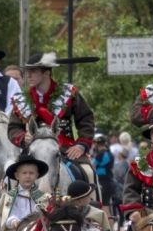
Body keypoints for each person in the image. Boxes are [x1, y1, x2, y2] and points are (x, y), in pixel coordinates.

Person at [7, 51, 97, 189]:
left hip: (66, 148)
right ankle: (8, 208)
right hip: (32, 151)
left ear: (47, 73)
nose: (28, 75)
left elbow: (86, 119)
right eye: (27, 71)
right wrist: (23, 137)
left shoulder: (68, 92)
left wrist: (81, 145)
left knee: (89, 172)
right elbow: (13, 128)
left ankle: (93, 206)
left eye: (33, 71)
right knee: (9, 178)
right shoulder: (22, 98)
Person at [0, 154, 50, 231]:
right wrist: (14, 221)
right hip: (15, 230)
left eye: (31, 173)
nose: (28, 176)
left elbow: (45, 215)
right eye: (24, 173)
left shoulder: (42, 197)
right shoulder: (10, 197)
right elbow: (6, 216)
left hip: (36, 230)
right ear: (17, 176)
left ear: (37, 175)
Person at [92, 133, 115, 212]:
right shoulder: (110, 154)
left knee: (104, 206)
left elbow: (93, 165)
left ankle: (106, 224)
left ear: (97, 144)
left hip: (102, 182)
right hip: (109, 180)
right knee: (107, 206)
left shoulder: (100, 155)